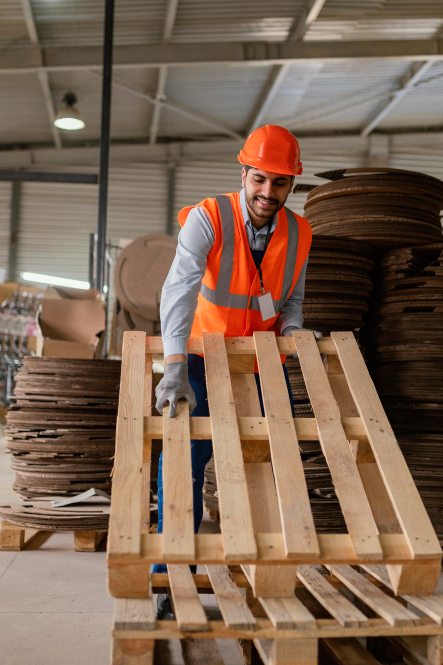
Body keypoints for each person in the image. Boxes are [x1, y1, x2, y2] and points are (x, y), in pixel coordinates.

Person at [152, 125, 320, 619]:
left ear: (293, 184)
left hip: (261, 361)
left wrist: (292, 328)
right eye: (261, 180)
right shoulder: (207, 218)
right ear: (243, 172)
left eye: (281, 183)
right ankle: (170, 576)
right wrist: (175, 364)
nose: (269, 193)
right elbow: (178, 289)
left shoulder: (301, 232)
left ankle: (269, 573)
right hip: (202, 358)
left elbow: (292, 297)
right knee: (183, 458)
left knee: (275, 458)